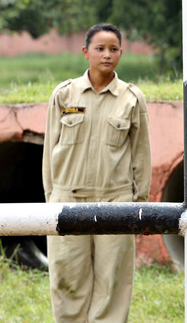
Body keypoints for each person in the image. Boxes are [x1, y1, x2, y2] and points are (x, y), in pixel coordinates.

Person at [42, 23, 152, 323]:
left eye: (113, 49)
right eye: (99, 48)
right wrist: (53, 198)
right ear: (85, 52)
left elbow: (141, 155)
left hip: (115, 201)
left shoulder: (131, 98)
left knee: (112, 283)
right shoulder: (64, 95)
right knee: (67, 280)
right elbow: (49, 150)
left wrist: (137, 204)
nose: (107, 55)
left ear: (121, 53)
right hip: (67, 199)